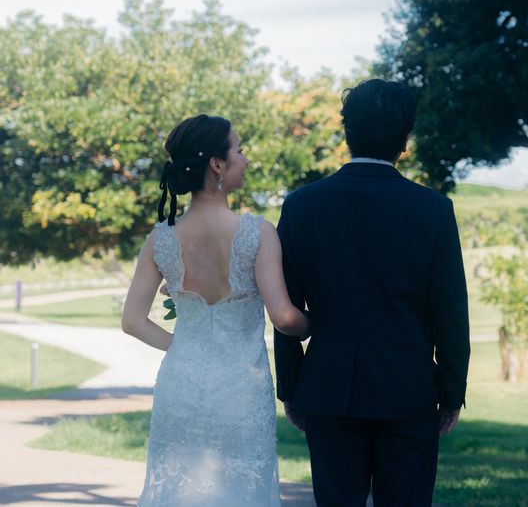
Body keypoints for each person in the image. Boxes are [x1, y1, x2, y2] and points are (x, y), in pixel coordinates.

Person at [274, 79, 470, 507]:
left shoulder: (302, 205)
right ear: (405, 139)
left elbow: (285, 305)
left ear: (347, 132)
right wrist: (452, 391)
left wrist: (291, 385)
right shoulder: (433, 209)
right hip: (409, 391)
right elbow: (450, 312)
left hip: (328, 389)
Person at [122, 114, 309, 507]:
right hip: (242, 392)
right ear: (217, 164)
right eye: (239, 150)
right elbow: (284, 317)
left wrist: (183, 346)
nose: (246, 159)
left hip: (180, 386)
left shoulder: (161, 239)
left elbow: (133, 321)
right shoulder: (257, 233)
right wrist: (317, 324)